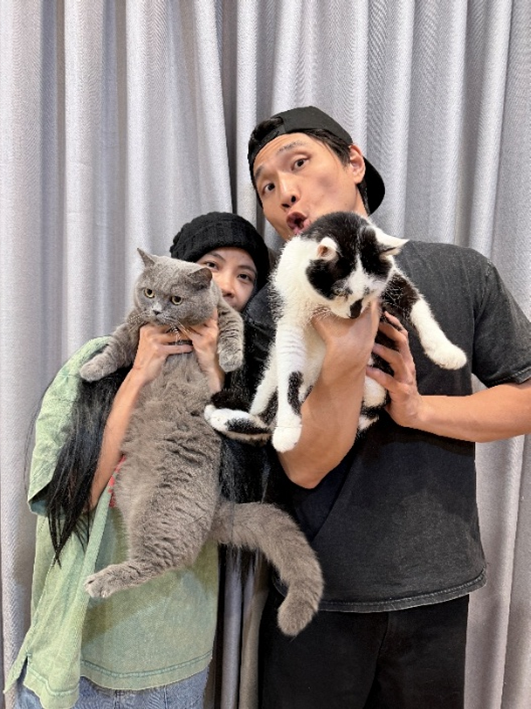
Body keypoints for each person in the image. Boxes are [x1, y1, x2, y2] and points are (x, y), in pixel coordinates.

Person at [243, 106, 531, 709]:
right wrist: (346, 359)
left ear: (354, 162)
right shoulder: (273, 309)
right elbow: (303, 467)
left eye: (299, 163)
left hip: (436, 589)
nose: (284, 192)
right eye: (266, 186)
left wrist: (419, 410)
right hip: (316, 597)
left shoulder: (459, 272)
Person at [6, 211, 270, 709]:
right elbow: (66, 500)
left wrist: (216, 375)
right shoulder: (97, 362)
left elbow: (243, 498)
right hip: (76, 650)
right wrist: (136, 376)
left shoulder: (245, 397)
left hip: (174, 653)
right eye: (213, 267)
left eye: (245, 276)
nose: (227, 286)